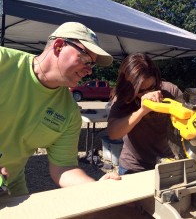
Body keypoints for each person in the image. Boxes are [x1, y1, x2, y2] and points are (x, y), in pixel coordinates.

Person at [0, 22, 120, 197]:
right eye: (86, 59)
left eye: (92, 65)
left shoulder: (70, 113)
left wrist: (94, 188)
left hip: (10, 186)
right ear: (59, 46)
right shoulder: (4, 62)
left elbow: (64, 168)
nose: (89, 71)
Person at [107, 53, 183, 175]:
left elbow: (187, 119)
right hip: (134, 166)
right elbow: (113, 133)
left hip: (167, 161)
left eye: (152, 87)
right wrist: (142, 111)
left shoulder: (170, 91)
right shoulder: (123, 98)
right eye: (140, 90)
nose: (147, 93)